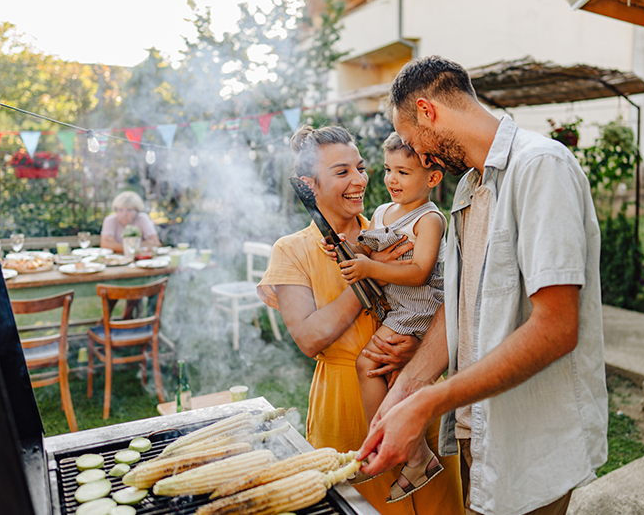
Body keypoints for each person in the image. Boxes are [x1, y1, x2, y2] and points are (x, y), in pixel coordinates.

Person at [358, 56, 608, 515]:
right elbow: (461, 306)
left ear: (427, 110)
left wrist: (432, 400)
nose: (422, 158)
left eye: (414, 142)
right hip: (480, 431)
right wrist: (408, 389)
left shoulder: (540, 167)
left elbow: (556, 327)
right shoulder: (468, 187)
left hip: (532, 442)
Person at [256, 125, 463, 515]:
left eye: (361, 167)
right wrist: (367, 275)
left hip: (415, 391)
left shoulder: (394, 227)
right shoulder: (291, 251)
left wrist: (420, 347)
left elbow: (441, 299)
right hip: (348, 409)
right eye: (341, 172)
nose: (360, 181)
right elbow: (309, 338)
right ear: (309, 184)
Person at [337, 132, 447, 502]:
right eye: (387, 170)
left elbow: (419, 271)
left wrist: (368, 268)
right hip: (393, 306)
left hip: (417, 307)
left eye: (403, 171)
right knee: (391, 374)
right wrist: (345, 247)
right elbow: (369, 245)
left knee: (368, 363)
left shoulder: (430, 220)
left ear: (432, 178)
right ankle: (417, 457)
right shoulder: (383, 212)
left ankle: (382, 443)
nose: (391, 180)